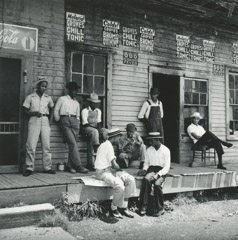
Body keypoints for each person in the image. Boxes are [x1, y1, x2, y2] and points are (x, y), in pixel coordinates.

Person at [95, 128, 137, 219]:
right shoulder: (107, 145)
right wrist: (121, 170)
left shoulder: (108, 144)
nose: (119, 139)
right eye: (118, 137)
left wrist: (120, 171)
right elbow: (114, 165)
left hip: (109, 170)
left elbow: (113, 166)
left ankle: (124, 207)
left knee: (130, 179)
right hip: (102, 172)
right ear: (114, 137)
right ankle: (113, 208)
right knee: (120, 185)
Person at [22, 77, 55, 176]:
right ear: (38, 86)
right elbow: (24, 110)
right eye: (42, 86)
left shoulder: (48, 98)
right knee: (31, 145)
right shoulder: (30, 97)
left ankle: (47, 167)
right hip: (34, 120)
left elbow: (52, 108)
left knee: (46, 146)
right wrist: (33, 113)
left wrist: (50, 120)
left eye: (45, 86)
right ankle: (29, 167)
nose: (44, 88)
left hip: (45, 121)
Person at [54, 82, 88, 174]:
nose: (75, 92)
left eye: (76, 91)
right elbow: (56, 110)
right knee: (73, 143)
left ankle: (70, 166)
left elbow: (77, 116)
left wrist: (77, 123)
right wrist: (58, 120)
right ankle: (78, 166)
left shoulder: (76, 103)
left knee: (73, 144)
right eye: (74, 90)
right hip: (65, 120)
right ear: (69, 90)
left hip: (74, 122)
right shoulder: (62, 99)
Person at [138, 132, 170, 217]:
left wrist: (158, 175)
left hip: (162, 170)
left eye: (151, 141)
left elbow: (167, 167)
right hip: (152, 169)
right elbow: (147, 163)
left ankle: (160, 208)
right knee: (146, 179)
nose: (150, 143)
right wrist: (144, 169)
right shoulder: (149, 150)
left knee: (157, 184)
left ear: (157, 140)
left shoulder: (166, 150)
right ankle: (144, 205)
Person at [81, 93, 102, 171]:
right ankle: (96, 145)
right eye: (93, 103)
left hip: (95, 129)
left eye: (96, 103)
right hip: (86, 128)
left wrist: (100, 130)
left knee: (105, 131)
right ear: (90, 103)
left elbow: (99, 122)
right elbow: (85, 123)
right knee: (94, 131)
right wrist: (96, 129)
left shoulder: (98, 111)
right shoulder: (85, 111)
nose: (95, 105)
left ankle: (102, 148)